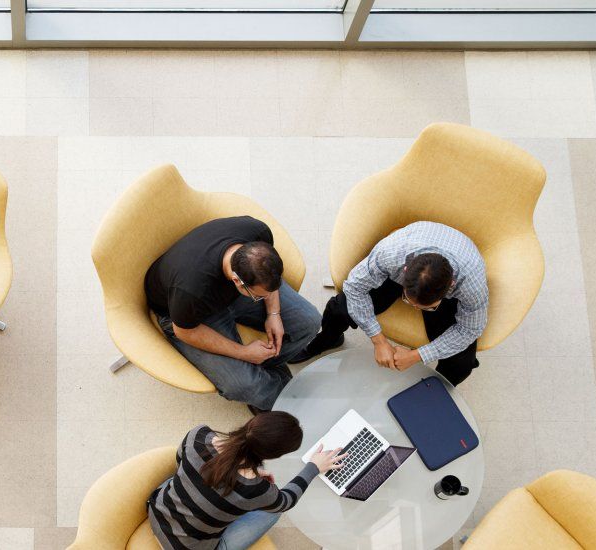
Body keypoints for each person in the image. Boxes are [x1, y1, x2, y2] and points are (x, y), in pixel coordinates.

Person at [144, 216, 322, 412]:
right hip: (191, 316)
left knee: (309, 322)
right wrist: (244, 353)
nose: (266, 296)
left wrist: (273, 313)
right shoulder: (190, 290)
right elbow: (185, 331)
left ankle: (267, 365)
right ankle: (279, 399)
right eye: (259, 296)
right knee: (244, 385)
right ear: (238, 281)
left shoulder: (257, 232)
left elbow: (268, 285)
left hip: (230, 295)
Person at [292, 221, 487, 386]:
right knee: (339, 308)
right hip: (406, 260)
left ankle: (433, 392)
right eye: (408, 301)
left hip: (455, 273)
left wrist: (418, 355)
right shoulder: (390, 254)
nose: (414, 310)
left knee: (462, 363)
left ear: (450, 287)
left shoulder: (471, 285)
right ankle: (328, 340)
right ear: (405, 271)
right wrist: (378, 340)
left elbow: (470, 329)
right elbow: (354, 287)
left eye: (427, 308)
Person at [147, 412, 346, 550]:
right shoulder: (256, 490)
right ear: (273, 455)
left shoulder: (198, 435)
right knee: (273, 513)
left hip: (156, 511)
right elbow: (287, 501)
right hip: (188, 548)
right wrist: (314, 467)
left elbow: (180, 461)